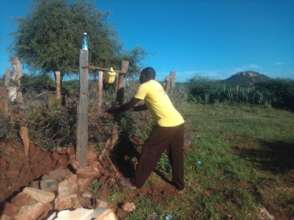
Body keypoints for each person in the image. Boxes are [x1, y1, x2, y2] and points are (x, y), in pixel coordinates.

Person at [107, 67, 185, 190]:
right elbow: (148, 104)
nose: (139, 78)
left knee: (149, 151)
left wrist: (114, 110)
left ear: (144, 75)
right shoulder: (156, 85)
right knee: (176, 154)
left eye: (140, 75)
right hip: (179, 123)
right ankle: (179, 184)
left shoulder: (145, 86)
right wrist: (134, 109)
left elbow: (131, 103)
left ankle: (135, 182)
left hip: (166, 125)